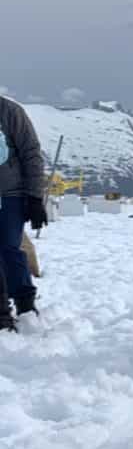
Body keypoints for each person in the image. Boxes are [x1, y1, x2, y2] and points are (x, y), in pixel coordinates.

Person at [0, 96, 47, 325]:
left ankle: (25, 304)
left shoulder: (9, 111)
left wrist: (35, 197)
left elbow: (31, 153)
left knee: (9, 248)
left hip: (9, 195)